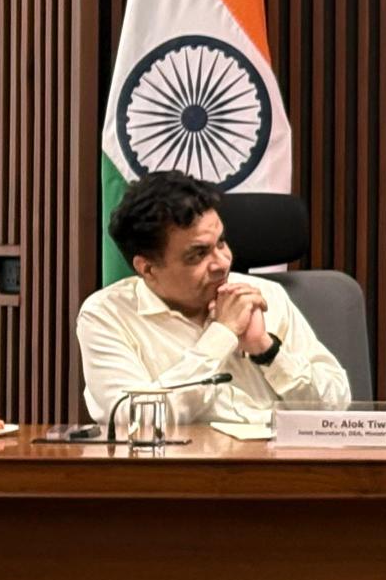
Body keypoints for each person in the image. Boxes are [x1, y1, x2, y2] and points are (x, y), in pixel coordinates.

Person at [79, 171, 350, 428]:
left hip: (283, 459)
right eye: (198, 254)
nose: (222, 263)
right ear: (148, 269)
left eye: (221, 243)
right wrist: (223, 334)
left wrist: (266, 350)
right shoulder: (107, 315)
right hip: (189, 462)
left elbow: (336, 407)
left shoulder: (267, 296)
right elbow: (137, 421)